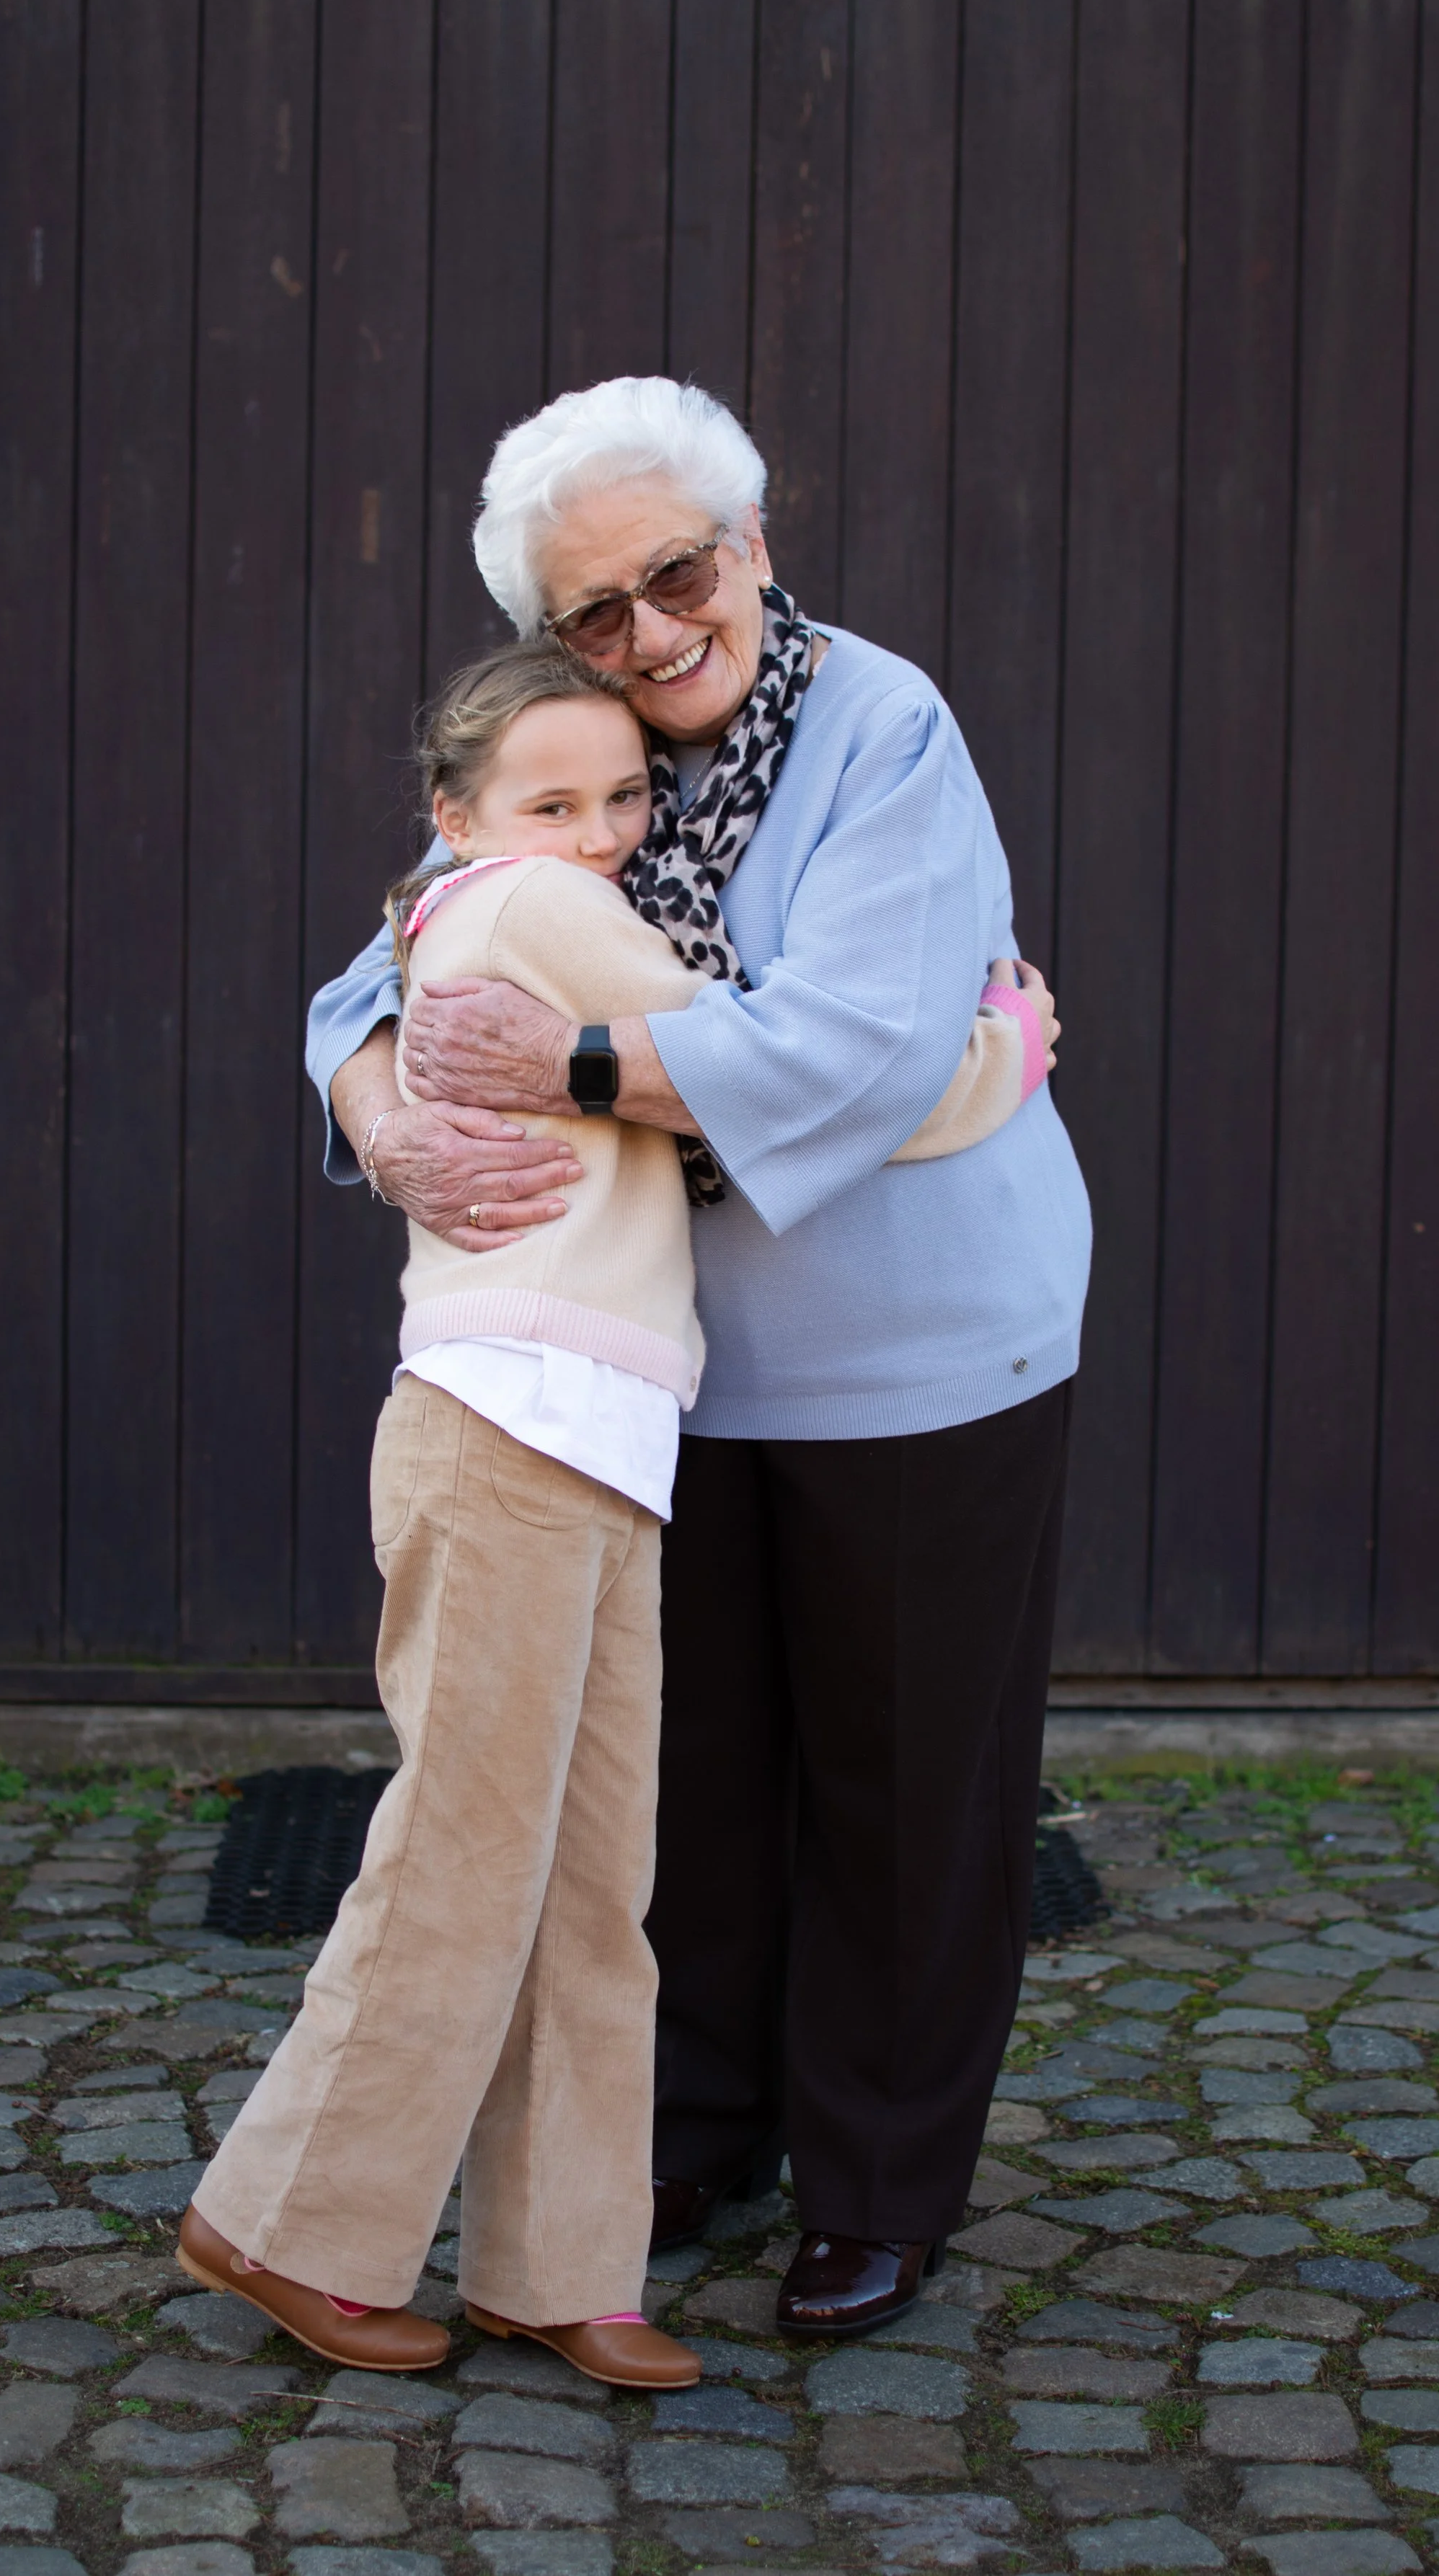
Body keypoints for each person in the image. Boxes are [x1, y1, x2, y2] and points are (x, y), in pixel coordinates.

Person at [313, 376, 1092, 2339]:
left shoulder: (880, 725)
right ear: (549, 641)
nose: (656, 631)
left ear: (754, 539)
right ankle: (700, 2127)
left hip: (923, 1347)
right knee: (692, 1786)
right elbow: (382, 967)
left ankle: (880, 2179)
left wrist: (566, 1061)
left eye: (682, 571)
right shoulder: (564, 757)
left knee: (907, 1782)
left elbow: (862, 1044)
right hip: (663, 1361)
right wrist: (385, 1102)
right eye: (598, 609)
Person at [179, 637, 1032, 2386]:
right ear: (455, 818)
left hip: (603, 1440)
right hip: (508, 1429)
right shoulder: (539, 916)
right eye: (550, 800)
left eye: (625, 798)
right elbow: (790, 1068)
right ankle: (286, 2223)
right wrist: (998, 1048)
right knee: (462, 1858)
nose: (598, 832)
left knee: (587, 1882)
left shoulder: (505, 904)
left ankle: (561, 2269)